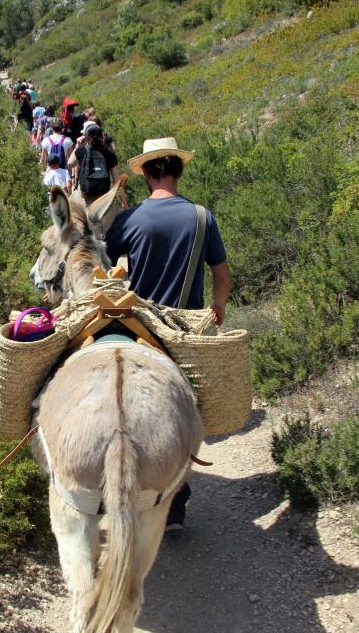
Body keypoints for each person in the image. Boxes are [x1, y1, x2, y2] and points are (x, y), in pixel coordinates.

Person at [104, 137, 232, 531]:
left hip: (138, 326)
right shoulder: (201, 216)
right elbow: (222, 277)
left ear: (145, 172)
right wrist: (218, 308)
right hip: (182, 328)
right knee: (190, 411)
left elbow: (106, 274)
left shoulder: (129, 220)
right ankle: (176, 504)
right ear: (179, 170)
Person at [69, 124, 127, 208]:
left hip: (86, 194)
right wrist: (124, 202)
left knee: (72, 204)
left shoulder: (82, 151)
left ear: (86, 138)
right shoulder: (110, 154)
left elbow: (70, 163)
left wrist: (77, 146)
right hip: (103, 194)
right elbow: (117, 181)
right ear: (102, 137)